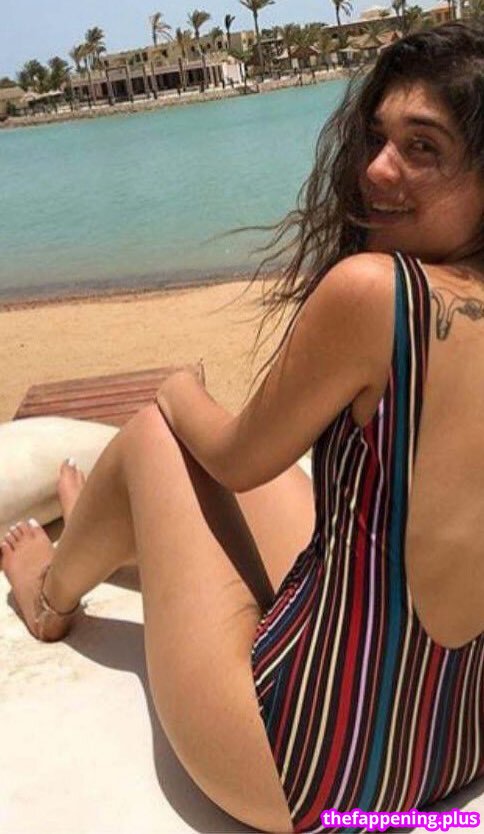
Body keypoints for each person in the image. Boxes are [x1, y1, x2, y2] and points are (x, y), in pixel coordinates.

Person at [2, 21, 484, 834]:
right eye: (377, 137)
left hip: (313, 775)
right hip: (454, 742)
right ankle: (107, 527)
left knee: (156, 433)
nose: (375, 168)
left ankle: (48, 597)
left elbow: (233, 460)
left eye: (422, 147)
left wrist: (177, 387)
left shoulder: (377, 290)